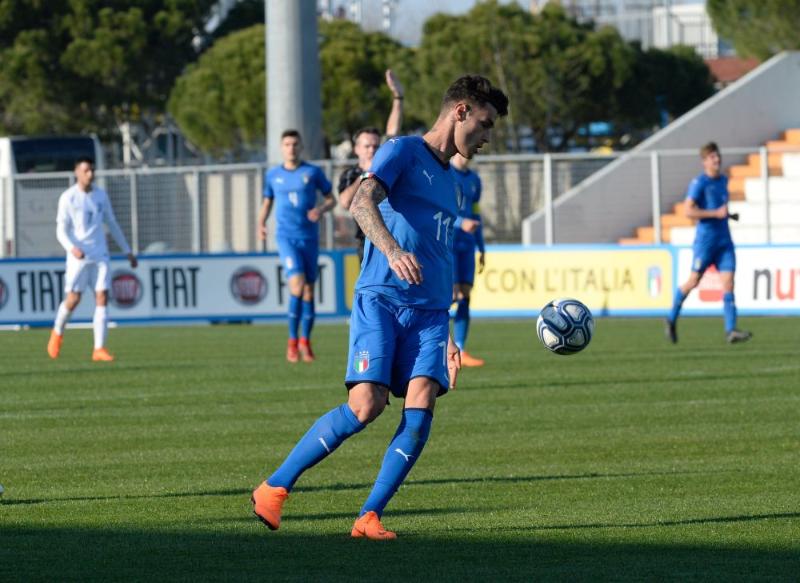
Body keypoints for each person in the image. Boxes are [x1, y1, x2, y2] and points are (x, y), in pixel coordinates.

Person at [251, 75, 509, 540]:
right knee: (366, 406)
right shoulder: (402, 151)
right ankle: (274, 487)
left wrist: (450, 334)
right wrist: (391, 250)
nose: (487, 137)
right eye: (486, 124)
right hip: (382, 300)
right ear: (461, 112)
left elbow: (440, 258)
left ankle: (369, 516)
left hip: (431, 315)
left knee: (421, 406)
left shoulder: (452, 182)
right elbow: (361, 202)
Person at [47, 157, 138, 362]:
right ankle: (57, 332)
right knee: (73, 299)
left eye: (92, 170)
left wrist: (127, 250)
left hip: (99, 255)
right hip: (78, 258)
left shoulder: (100, 195)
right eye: (86, 170)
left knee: (102, 297)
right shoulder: (68, 198)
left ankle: (99, 348)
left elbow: (112, 223)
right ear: (77, 172)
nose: (90, 174)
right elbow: (60, 230)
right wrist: (72, 248)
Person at [258, 130, 335, 363]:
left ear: (301, 147)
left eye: (295, 144)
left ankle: (305, 342)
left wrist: (320, 209)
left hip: (309, 238)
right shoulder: (273, 175)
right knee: (297, 283)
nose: (291, 148)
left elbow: (331, 199)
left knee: (309, 290)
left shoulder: (312, 172)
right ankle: (292, 342)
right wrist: (260, 224)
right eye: (287, 144)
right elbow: (267, 202)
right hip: (286, 237)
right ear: (282, 148)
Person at [665, 142, 752, 344]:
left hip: (724, 241)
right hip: (706, 242)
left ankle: (731, 330)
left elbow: (720, 209)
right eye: (712, 157)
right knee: (693, 281)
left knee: (729, 283)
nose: (717, 159)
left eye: (718, 155)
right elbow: (688, 211)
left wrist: (728, 215)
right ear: (704, 161)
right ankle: (671, 318)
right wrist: (715, 213)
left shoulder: (723, 180)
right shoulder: (699, 183)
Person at [338, 69, 404, 263]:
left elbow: (392, 133)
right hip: (367, 242)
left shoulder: (386, 169)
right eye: (367, 146)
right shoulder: (351, 174)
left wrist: (398, 97)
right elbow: (345, 202)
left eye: (376, 146)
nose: (372, 150)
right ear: (356, 149)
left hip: (396, 238)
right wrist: (366, 175)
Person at [450, 152, 486, 367]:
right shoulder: (446, 173)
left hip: (467, 245)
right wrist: (460, 222)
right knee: (451, 296)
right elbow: (438, 208)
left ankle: (461, 349)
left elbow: (476, 213)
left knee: (465, 296)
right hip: (448, 244)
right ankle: (439, 347)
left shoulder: (474, 180)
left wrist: (481, 247)